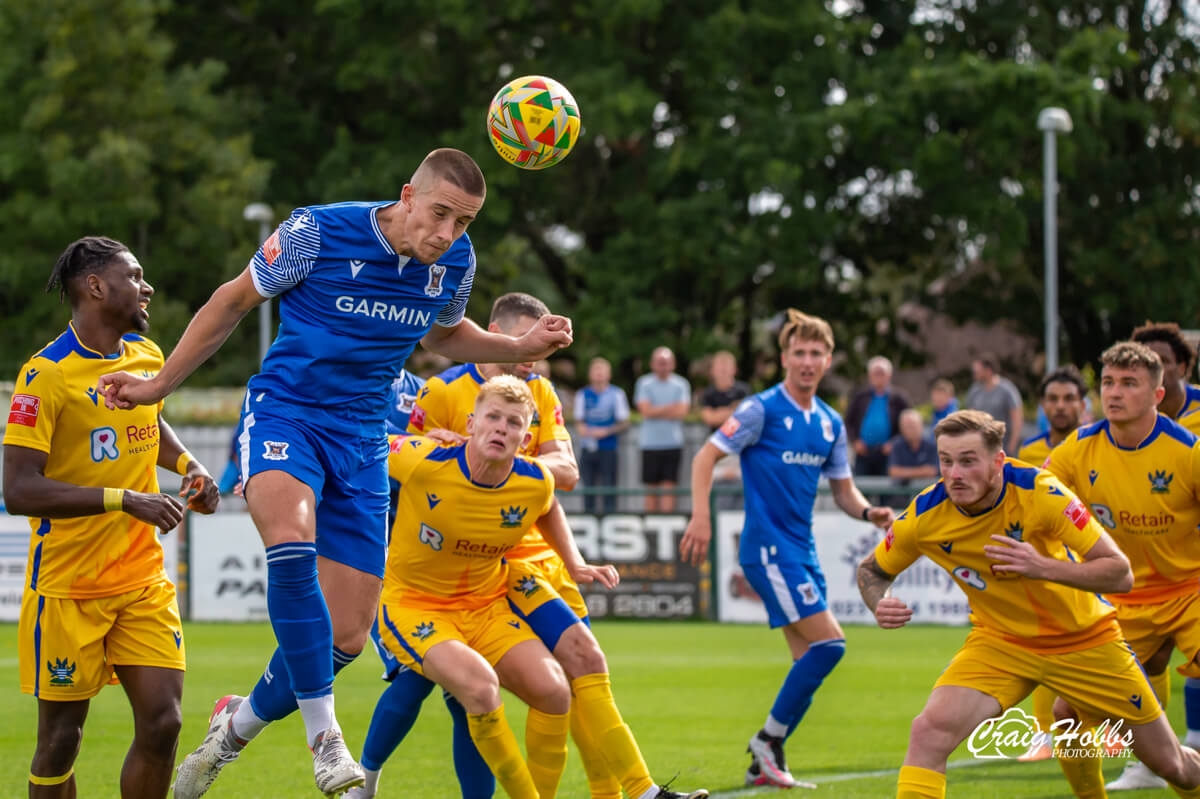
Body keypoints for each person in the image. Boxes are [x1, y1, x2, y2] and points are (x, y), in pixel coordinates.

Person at [98, 149, 574, 798]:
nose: (447, 234)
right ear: (407, 194)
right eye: (439, 214)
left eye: (463, 223)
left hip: (364, 438)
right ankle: (327, 741)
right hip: (287, 415)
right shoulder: (315, 232)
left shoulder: (454, 264)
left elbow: (444, 336)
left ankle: (233, 727)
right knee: (290, 541)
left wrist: (518, 349)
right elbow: (231, 301)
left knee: (347, 637)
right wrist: (157, 388)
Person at [368, 294, 708, 799]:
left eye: (542, 349)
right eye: (525, 345)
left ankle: (628, 792)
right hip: (438, 578)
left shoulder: (538, 396)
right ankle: (365, 780)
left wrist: (520, 480)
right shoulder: (441, 392)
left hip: (517, 562)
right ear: (493, 334)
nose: (533, 357)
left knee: (578, 665)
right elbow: (394, 464)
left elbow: (560, 480)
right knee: (437, 688)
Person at [857, 409, 1200, 799]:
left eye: (968, 461)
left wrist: (1042, 566)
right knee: (928, 731)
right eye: (946, 461)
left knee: (1173, 766)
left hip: (1085, 640)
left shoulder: (1042, 492)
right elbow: (870, 571)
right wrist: (877, 602)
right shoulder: (925, 515)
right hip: (1000, 644)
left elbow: (1120, 573)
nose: (954, 474)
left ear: (997, 461)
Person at [4, 236, 219, 799]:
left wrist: (190, 465)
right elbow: (19, 489)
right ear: (96, 287)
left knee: (165, 722)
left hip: (141, 581)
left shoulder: (147, 358)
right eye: (135, 276)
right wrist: (125, 499)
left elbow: (151, 426)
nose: (147, 287)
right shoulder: (44, 376)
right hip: (68, 588)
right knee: (60, 740)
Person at [371, 376, 621, 799]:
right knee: (468, 688)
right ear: (471, 423)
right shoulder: (422, 456)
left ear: (525, 438)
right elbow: (360, 440)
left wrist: (573, 562)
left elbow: (548, 505)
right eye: (492, 418)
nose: (501, 428)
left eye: (513, 423)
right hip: (416, 604)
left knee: (555, 691)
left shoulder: (534, 479)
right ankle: (365, 779)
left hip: (484, 605)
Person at [680, 309, 894, 789]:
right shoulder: (761, 409)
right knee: (831, 645)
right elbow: (705, 456)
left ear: (828, 360)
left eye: (816, 352)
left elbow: (843, 490)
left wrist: (869, 513)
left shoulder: (830, 422)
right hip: (768, 551)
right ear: (784, 358)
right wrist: (700, 516)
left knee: (809, 663)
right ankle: (766, 740)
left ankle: (765, 762)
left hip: (804, 551)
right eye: (799, 352)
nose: (807, 360)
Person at [1043, 341, 1200, 793]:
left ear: (1157, 394)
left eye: (1129, 383)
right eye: (1108, 382)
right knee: (1066, 713)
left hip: (1190, 589)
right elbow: (1038, 498)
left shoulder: (1187, 452)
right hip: (1124, 598)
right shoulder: (1079, 449)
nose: (1114, 393)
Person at [1009, 363, 1088, 763]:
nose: (1060, 407)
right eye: (1053, 399)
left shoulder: (1095, 446)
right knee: (1046, 648)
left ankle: (1107, 730)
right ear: (1042, 405)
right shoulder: (1029, 452)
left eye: (1069, 399)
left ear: (1083, 404)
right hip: (1049, 566)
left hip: (1096, 563)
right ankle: (1044, 735)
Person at [634, 347, 690, 512]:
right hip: (649, 444)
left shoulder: (681, 384)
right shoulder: (643, 383)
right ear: (652, 364)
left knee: (669, 487)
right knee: (650, 488)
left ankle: (666, 522)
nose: (663, 366)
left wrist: (655, 409)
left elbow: (682, 411)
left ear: (672, 364)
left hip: (673, 443)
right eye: (659, 363)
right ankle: (650, 526)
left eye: (666, 363)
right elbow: (645, 411)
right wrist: (671, 408)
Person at [574, 356, 631, 514]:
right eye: (595, 371)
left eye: (602, 371)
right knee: (588, 487)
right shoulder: (582, 394)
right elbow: (578, 421)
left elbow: (624, 422)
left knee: (609, 487)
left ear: (609, 374)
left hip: (609, 448)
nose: (598, 375)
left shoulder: (616, 394)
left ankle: (609, 517)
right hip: (588, 448)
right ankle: (589, 517)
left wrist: (607, 431)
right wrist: (584, 430)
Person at [697, 350, 752, 510]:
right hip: (717, 450)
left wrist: (720, 413)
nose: (723, 372)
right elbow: (709, 418)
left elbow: (747, 417)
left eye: (726, 367)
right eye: (720, 368)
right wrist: (733, 410)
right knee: (717, 496)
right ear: (712, 371)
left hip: (740, 449)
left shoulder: (743, 390)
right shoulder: (708, 394)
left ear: (734, 369)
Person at [845, 356, 910, 477]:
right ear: (870, 375)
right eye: (876, 373)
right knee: (862, 489)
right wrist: (855, 441)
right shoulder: (860, 397)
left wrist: (894, 443)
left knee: (888, 491)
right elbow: (848, 422)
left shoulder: (899, 398)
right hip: (863, 452)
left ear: (889, 375)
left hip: (889, 454)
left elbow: (909, 423)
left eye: (882, 373)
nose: (879, 377)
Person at [965, 354, 1024, 453]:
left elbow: (1017, 419)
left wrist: (1012, 445)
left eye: (977, 371)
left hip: (1003, 446)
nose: (974, 374)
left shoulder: (1007, 390)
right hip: (981, 447)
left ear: (988, 371)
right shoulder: (974, 390)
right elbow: (969, 417)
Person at [886, 409, 938, 483]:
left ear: (921, 425)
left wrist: (903, 472)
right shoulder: (896, 444)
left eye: (912, 426)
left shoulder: (931, 444)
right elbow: (893, 472)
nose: (909, 430)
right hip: (902, 492)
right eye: (906, 427)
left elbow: (933, 471)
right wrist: (922, 471)